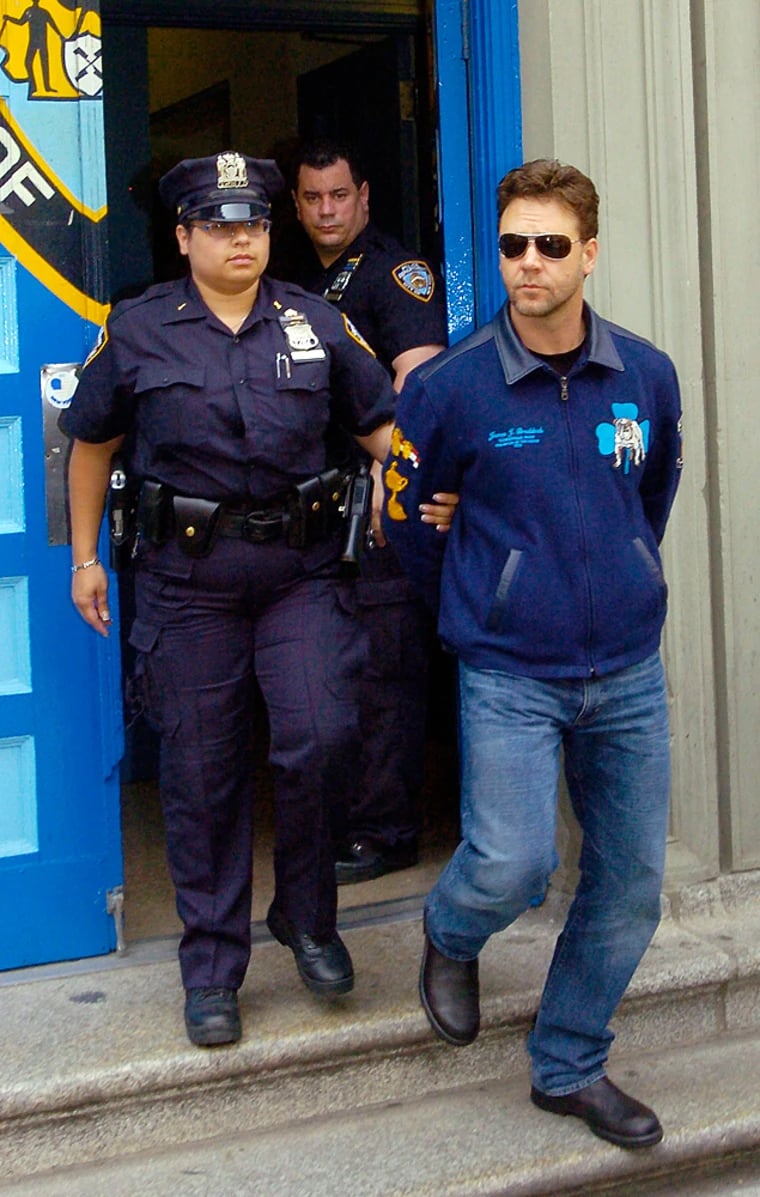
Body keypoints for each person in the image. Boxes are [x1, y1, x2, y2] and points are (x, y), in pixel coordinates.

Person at [59, 151, 452, 1049]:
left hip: (302, 576)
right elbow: (91, 444)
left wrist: (422, 481)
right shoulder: (139, 328)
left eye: (256, 224)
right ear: (185, 235)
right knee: (202, 773)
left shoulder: (314, 323)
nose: (244, 237)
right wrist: (84, 557)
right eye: (224, 224)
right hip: (185, 583)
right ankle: (211, 966)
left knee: (321, 735)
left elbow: (380, 427)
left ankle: (308, 919)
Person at [382, 159, 683, 1148]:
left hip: (627, 673)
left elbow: (652, 491)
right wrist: (485, 593)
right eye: (512, 244)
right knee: (513, 861)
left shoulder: (644, 375)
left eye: (551, 245)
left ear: (588, 254)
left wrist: (623, 566)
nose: (528, 264)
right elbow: (410, 518)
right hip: (509, 671)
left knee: (629, 882)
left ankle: (567, 1065)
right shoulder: (455, 388)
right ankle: (449, 931)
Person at [286, 138, 449, 885]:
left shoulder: (396, 274)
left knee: (386, 672)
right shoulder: (290, 280)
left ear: (364, 196)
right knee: (333, 673)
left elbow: (417, 385)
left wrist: (395, 484)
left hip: (376, 505)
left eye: (338, 195)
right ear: (296, 203)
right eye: (313, 197)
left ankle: (388, 829)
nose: (326, 210)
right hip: (314, 506)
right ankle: (351, 816)